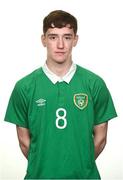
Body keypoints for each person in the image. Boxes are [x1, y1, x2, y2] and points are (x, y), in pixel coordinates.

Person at [4, 10, 117, 179]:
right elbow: (24, 141)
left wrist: (79, 164)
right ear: (43, 40)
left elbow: (101, 138)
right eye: (53, 37)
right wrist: (47, 165)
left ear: (75, 40)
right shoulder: (24, 87)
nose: (60, 45)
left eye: (67, 37)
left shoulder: (94, 83)